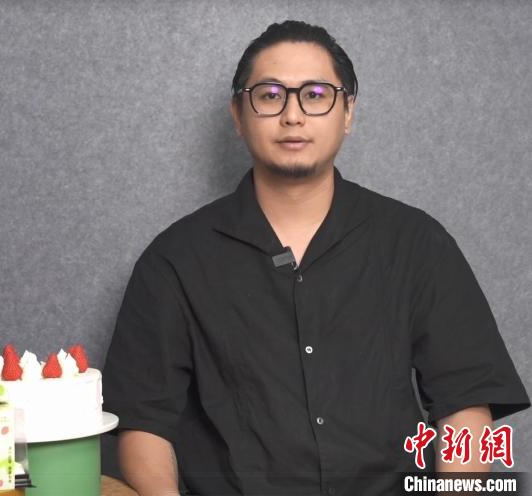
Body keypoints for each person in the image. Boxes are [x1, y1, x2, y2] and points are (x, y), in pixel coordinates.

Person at [103, 20, 530, 496]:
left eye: (315, 95)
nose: (293, 115)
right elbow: (144, 422)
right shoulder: (174, 261)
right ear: (238, 115)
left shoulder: (417, 243)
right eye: (270, 95)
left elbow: (466, 401)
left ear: (347, 112)